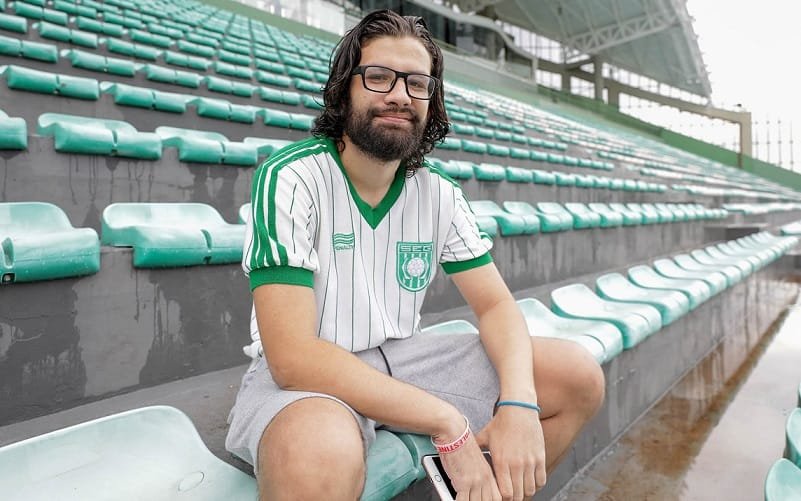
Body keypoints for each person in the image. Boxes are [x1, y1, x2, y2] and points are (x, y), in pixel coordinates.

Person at [225, 9, 605, 500]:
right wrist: (448, 421)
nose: (400, 95)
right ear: (345, 89)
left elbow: (495, 306)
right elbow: (293, 357)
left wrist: (519, 405)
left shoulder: (438, 193)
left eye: (417, 84)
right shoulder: (292, 177)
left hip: (404, 358)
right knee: (317, 455)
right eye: (379, 76)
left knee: (577, 376)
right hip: (313, 375)